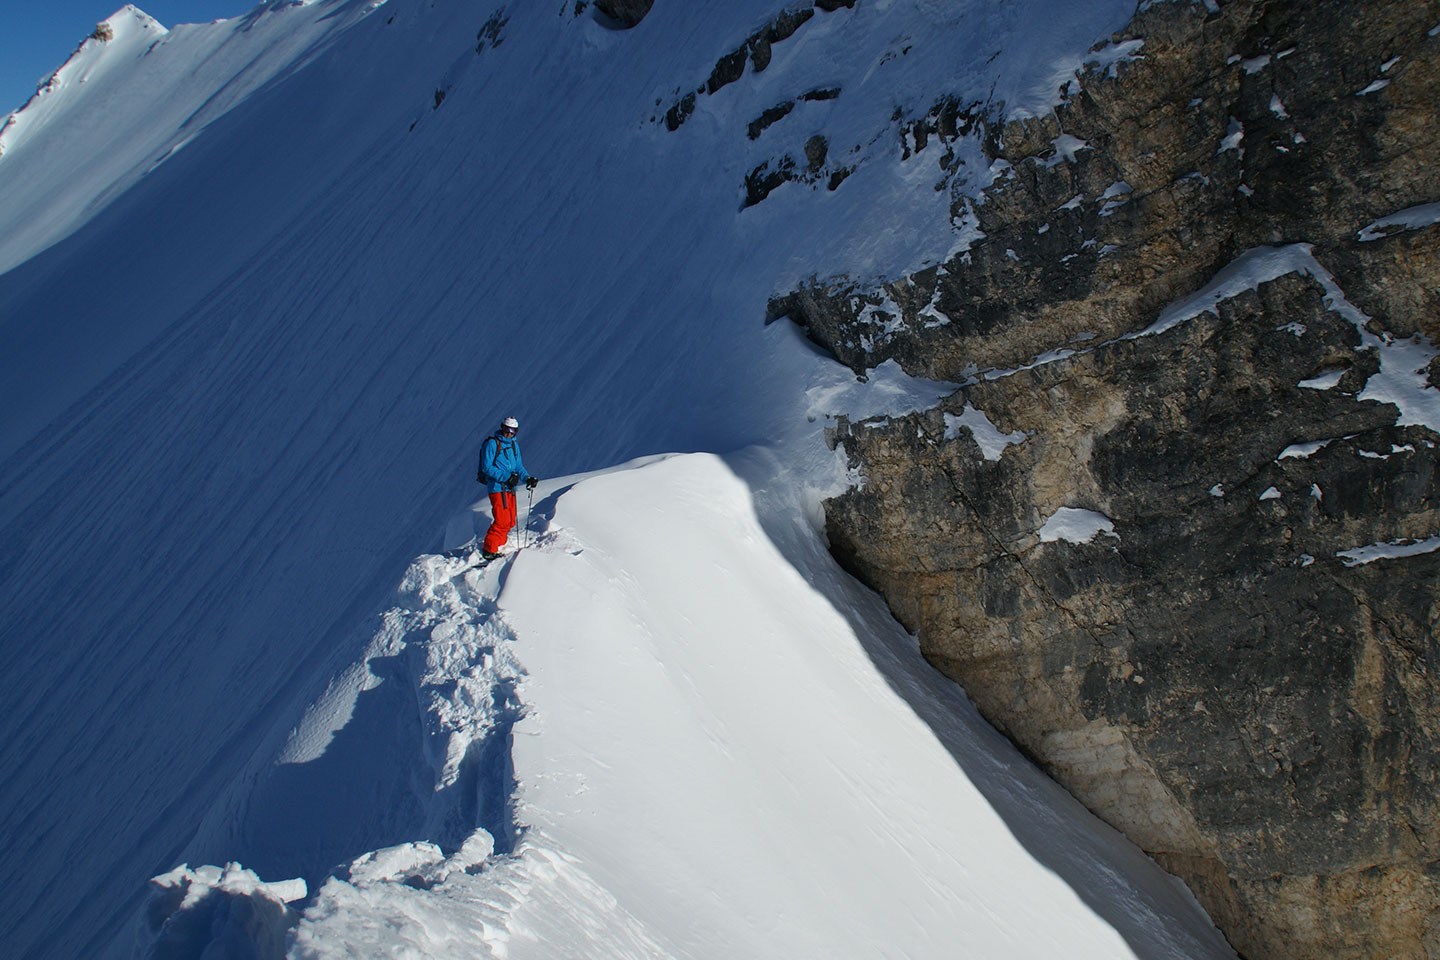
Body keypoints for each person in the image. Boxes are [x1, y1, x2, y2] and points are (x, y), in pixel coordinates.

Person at [476, 416, 538, 559]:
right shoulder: (492, 444)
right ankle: (489, 550)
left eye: (512, 431)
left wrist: (527, 478)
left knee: (510, 521)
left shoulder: (514, 446)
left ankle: (498, 545)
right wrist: (506, 477)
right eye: (506, 429)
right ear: (502, 427)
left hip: (510, 488)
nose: (508, 433)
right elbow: (487, 467)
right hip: (497, 487)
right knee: (502, 520)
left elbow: (518, 466)